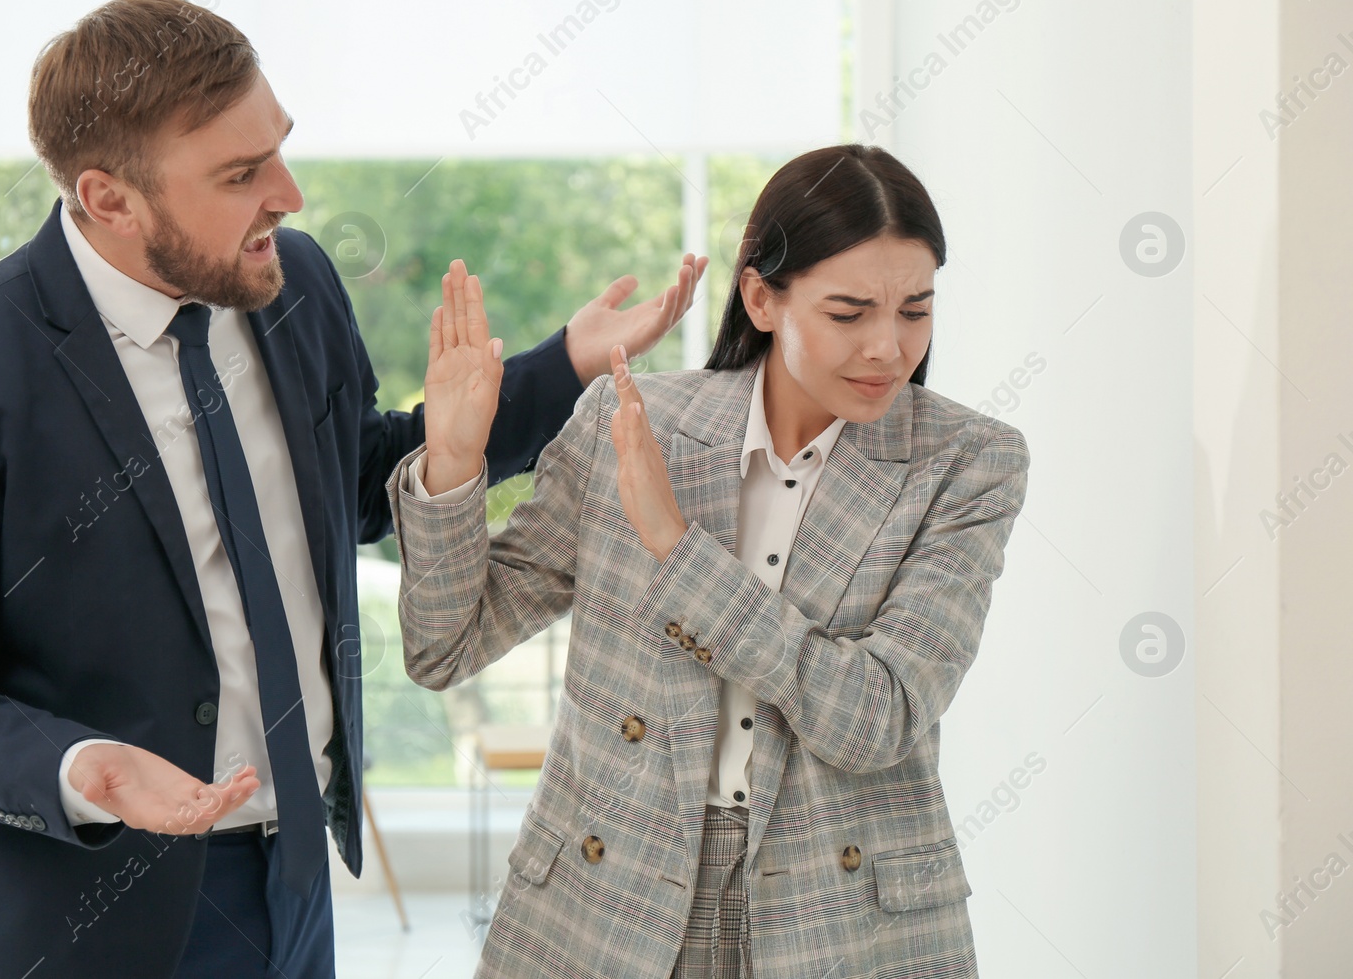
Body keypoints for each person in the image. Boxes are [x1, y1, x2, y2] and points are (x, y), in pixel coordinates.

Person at [0, 0, 705, 978]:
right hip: (86, 922)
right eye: (241, 173)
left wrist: (564, 368)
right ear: (109, 198)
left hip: (292, 885)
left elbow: (353, 485)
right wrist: (82, 766)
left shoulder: (290, 282)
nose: (288, 193)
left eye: (278, 149)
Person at [387, 144, 1031, 978]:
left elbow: (876, 717)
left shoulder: (971, 461)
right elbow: (444, 647)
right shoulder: (632, 419)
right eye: (848, 312)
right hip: (603, 896)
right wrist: (453, 462)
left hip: (842, 921)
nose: (888, 347)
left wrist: (677, 549)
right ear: (761, 296)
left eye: (916, 309)